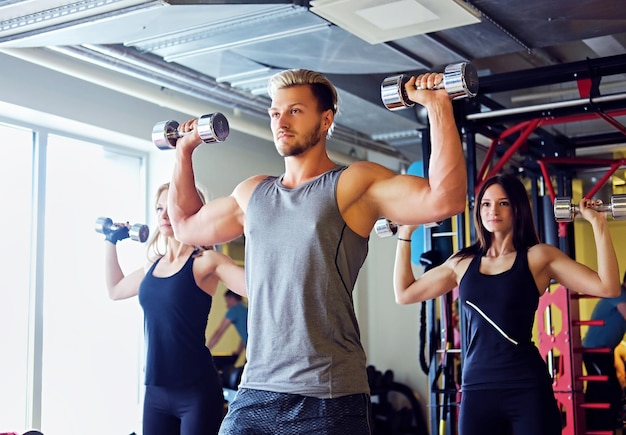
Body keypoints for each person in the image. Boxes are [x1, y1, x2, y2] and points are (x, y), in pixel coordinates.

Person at [167, 68, 467, 434]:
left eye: (295, 111)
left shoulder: (352, 183)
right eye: (276, 113)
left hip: (328, 395)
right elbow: (184, 224)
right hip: (255, 389)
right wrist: (184, 151)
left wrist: (438, 106)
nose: (281, 121)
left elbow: (445, 199)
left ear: (326, 120)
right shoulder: (252, 193)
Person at [393, 173, 621, 435]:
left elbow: (608, 286)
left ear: (518, 208)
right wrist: (405, 233)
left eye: (503, 203)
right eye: (486, 204)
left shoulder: (538, 258)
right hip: (477, 390)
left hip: (526, 388)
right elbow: (404, 293)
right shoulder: (462, 263)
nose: (493, 211)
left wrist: (598, 224)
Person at [103, 182, 246, 435]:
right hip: (155, 393)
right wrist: (110, 241)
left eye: (171, 206)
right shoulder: (152, 266)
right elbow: (115, 290)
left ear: (192, 211)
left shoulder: (205, 262)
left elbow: (258, 288)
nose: (165, 215)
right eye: (159, 208)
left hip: (197, 392)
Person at [582, 271, 626, 431]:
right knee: (609, 391)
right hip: (595, 352)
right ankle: (600, 428)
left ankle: (593, 428)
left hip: (603, 353)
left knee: (600, 391)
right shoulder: (619, 293)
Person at [207, 289, 248, 355]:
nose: (227, 304)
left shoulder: (234, 310)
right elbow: (246, 333)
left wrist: (206, 350)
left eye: (227, 300)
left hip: (255, 351)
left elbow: (219, 332)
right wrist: (238, 352)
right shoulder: (246, 307)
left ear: (231, 298)